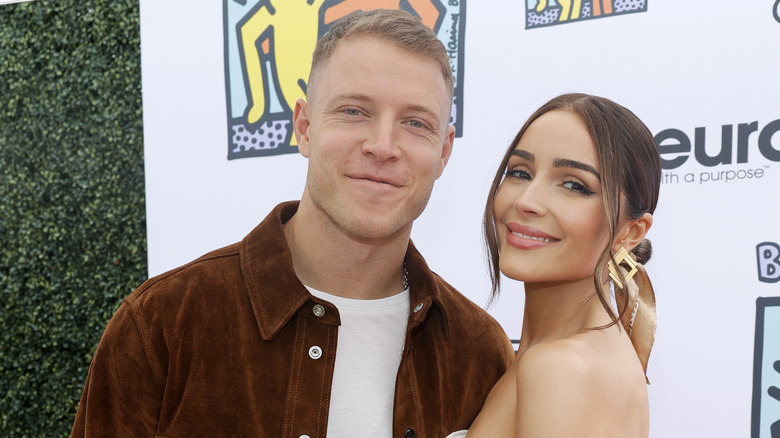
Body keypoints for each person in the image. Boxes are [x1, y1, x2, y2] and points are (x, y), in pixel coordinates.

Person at [71, 9, 514, 438]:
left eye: (416, 123)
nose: (383, 146)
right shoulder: (161, 323)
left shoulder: (479, 353)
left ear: (443, 152)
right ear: (303, 127)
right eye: (354, 111)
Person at [463, 93, 661, 437]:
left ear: (630, 232)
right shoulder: (581, 356)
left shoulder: (560, 369)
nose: (526, 201)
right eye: (520, 172)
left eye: (573, 185)